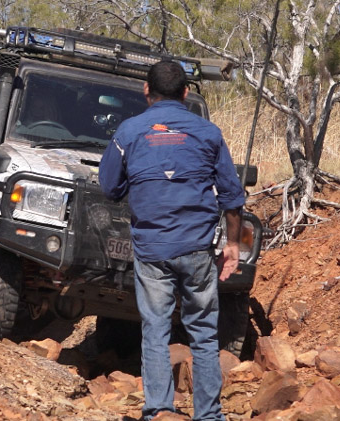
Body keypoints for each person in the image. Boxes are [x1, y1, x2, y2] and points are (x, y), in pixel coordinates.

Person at [98, 60, 244, 421]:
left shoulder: (129, 132)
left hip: (151, 251)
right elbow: (232, 197)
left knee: (155, 331)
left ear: (146, 91)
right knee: (205, 336)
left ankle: (159, 411)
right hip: (197, 249)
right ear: (186, 93)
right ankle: (209, 415)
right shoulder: (208, 133)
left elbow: (109, 187)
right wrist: (233, 245)